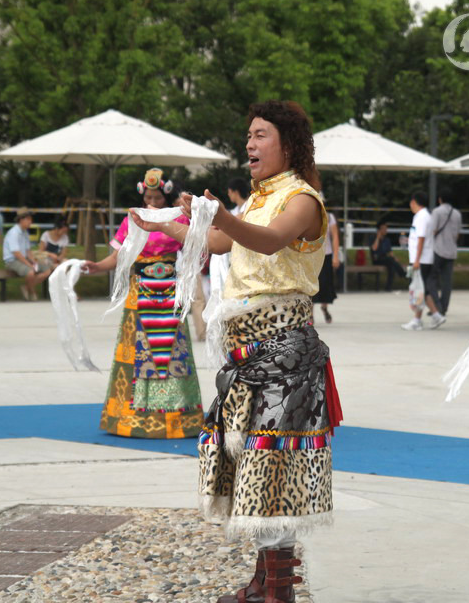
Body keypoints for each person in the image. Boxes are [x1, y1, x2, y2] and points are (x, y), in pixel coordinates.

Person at [129, 100, 338, 603]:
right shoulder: (258, 198)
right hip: (247, 353)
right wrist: (164, 224)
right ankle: (267, 580)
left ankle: (279, 590)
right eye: (249, 134)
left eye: (261, 134)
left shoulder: (303, 200)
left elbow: (268, 243)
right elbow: (220, 243)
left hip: (285, 352)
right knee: (252, 467)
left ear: (287, 143)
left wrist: (220, 213)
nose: (250, 143)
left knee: (274, 466)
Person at [82, 170, 204, 440]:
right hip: (141, 292)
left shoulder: (178, 218)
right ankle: (131, 418)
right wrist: (97, 267)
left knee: (173, 352)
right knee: (139, 351)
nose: (152, 202)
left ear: (166, 196)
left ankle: (177, 419)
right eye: (148, 196)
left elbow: (197, 248)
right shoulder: (134, 219)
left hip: (170, 290)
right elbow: (118, 255)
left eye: (157, 197)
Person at [401, 191, 445, 330]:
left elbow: (421, 239)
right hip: (424, 258)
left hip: (421, 259)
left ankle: (417, 320)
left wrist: (416, 260)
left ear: (414, 202)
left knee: (418, 289)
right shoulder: (425, 216)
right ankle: (436, 315)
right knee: (423, 289)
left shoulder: (421, 217)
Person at [427, 188, 462, 315]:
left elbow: (432, 230)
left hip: (438, 250)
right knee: (447, 282)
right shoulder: (457, 214)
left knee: (431, 279)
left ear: (440, 199)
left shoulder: (437, 212)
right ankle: (444, 307)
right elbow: (457, 234)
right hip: (451, 251)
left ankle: (437, 306)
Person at [2, 208, 50, 301]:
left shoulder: (25, 233)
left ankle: (26, 287)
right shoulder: (14, 233)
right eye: (28, 219)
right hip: (12, 261)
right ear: (21, 220)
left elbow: (28, 251)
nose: (30, 222)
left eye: (30, 219)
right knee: (30, 272)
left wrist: (33, 261)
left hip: (23, 260)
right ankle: (32, 292)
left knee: (47, 270)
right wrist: (29, 265)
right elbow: (16, 253)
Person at [311, 202, 339, 323]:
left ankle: (324, 307)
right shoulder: (307, 215)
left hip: (326, 255)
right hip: (311, 255)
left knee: (325, 284)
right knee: (311, 285)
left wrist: (336, 256)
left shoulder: (329, 217)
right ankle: (310, 314)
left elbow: (335, 236)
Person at [371, 218, 406, 291]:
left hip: (386, 259)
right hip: (377, 259)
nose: (386, 230)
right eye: (384, 229)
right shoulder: (373, 238)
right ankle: (402, 274)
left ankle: (388, 287)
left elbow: (390, 252)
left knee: (391, 266)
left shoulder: (387, 239)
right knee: (390, 260)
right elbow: (374, 248)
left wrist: (395, 258)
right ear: (379, 230)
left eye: (386, 228)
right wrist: (378, 237)